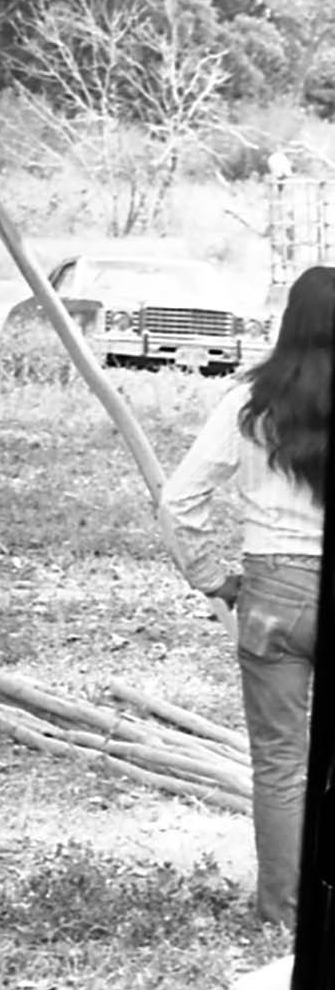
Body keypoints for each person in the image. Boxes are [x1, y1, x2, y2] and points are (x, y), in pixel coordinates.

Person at [160, 265, 335, 929]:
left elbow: (181, 501)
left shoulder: (248, 402)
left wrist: (212, 578)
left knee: (281, 764)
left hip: (271, 590)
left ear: (289, 322)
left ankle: (283, 916)